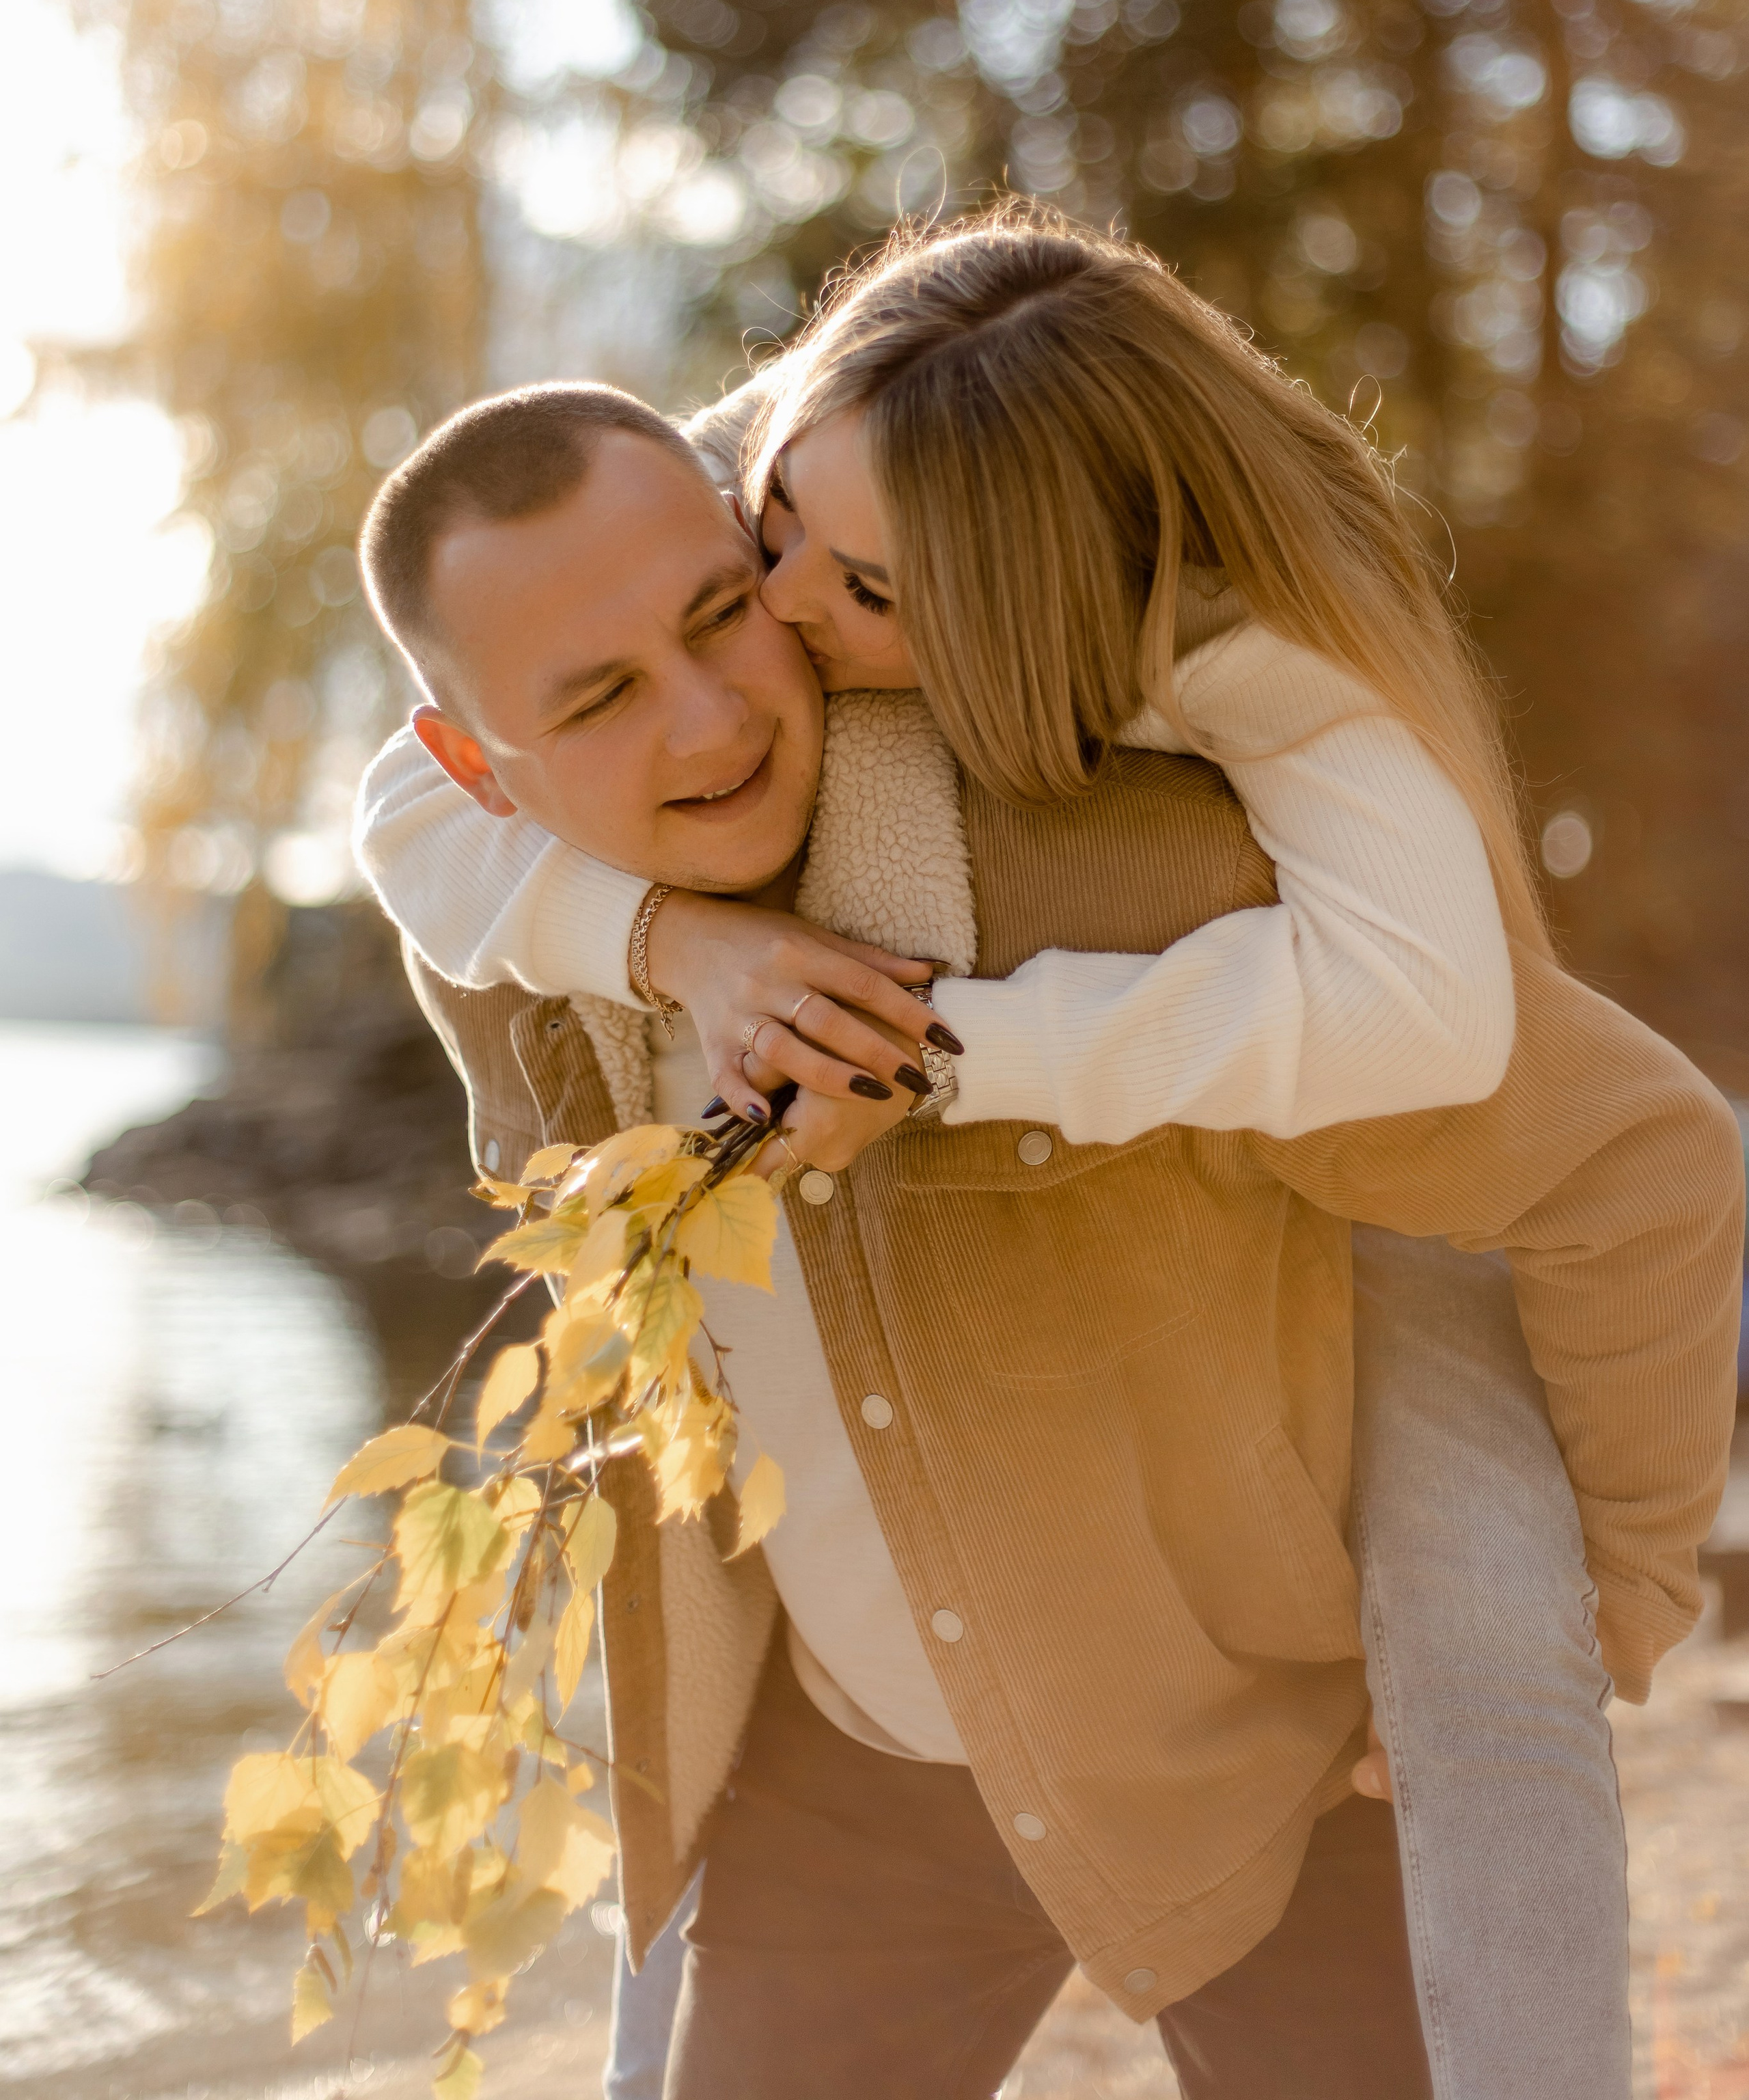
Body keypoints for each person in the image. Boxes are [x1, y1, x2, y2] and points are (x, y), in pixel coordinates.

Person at [352, 348, 1741, 2097]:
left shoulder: (1126, 861)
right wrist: (677, 949)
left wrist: (1609, 1605)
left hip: (1264, 1789)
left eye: (721, 612)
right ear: (481, 767)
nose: (708, 720)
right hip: (840, 1791)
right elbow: (396, 833)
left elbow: (1631, 1161)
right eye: (602, 697)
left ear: (766, 540)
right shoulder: (512, 979)